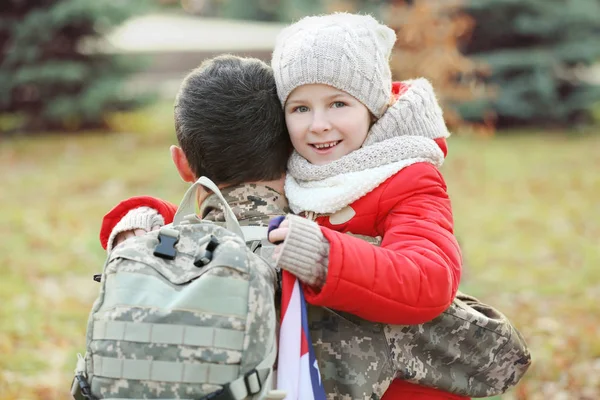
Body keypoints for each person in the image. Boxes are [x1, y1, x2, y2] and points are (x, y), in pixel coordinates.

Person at [100, 54, 530, 399]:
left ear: (182, 165)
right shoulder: (344, 266)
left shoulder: (150, 267)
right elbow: (498, 357)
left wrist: (136, 225)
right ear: (290, 144)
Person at [265, 12, 463, 399]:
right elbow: (236, 218)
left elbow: (429, 278)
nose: (318, 124)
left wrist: (325, 256)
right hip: (314, 378)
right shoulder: (287, 172)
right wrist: (152, 222)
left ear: (372, 107)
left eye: (338, 103)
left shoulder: (407, 177)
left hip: (396, 385)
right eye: (300, 108)